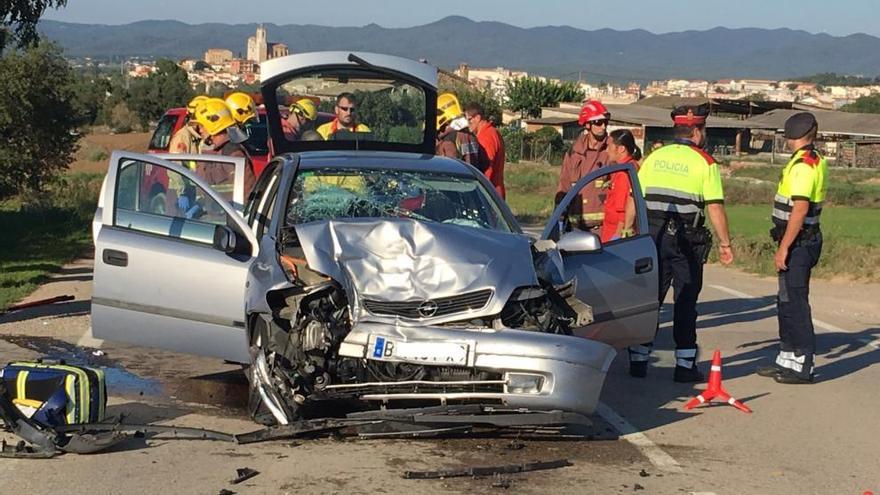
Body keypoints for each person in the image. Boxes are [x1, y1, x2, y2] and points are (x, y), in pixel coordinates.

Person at [628, 104, 734, 382]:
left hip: (651, 236)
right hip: (687, 239)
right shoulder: (705, 162)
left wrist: (629, 233)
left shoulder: (654, 157)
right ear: (697, 131)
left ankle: (638, 360)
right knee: (685, 300)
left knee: (650, 299)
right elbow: (714, 208)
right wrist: (725, 244)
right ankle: (685, 366)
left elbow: (634, 199)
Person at [756, 112, 827, 385]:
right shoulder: (810, 159)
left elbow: (799, 210)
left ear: (793, 136)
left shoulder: (804, 166)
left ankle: (803, 363)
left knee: (795, 302)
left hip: (799, 242)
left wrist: (784, 247)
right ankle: (787, 359)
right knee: (785, 300)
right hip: (799, 240)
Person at [556, 100, 611, 231]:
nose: (603, 126)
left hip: (601, 228)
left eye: (605, 122)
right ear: (587, 125)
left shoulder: (611, 150)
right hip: (575, 227)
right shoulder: (574, 152)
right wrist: (559, 216)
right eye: (598, 122)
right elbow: (564, 186)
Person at [193, 98, 256, 197]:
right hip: (211, 211)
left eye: (202, 126)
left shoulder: (232, 153)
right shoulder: (213, 150)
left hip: (229, 211)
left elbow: (246, 190)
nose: (199, 130)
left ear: (213, 124)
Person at [601, 129, 641, 243]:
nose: (607, 150)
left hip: (613, 234)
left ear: (621, 149)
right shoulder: (632, 167)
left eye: (609, 146)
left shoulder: (623, 174)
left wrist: (616, 239)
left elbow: (622, 212)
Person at [435, 93, 488, 170]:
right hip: (473, 180)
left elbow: (448, 170)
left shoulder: (448, 140)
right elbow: (484, 164)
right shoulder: (470, 135)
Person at [464, 102, 505, 198]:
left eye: (469, 120)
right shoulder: (492, 132)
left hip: (490, 194)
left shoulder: (486, 136)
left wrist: (481, 192)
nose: (468, 124)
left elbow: (487, 168)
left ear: (477, 118)